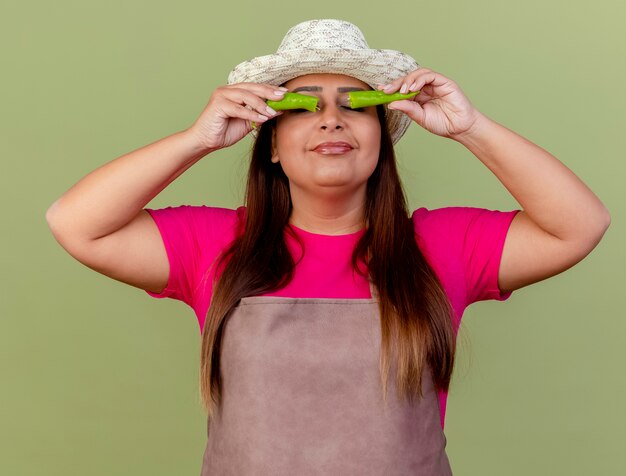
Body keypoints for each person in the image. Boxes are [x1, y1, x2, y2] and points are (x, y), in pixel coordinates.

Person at [45, 18, 610, 475]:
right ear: (269, 144)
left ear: (382, 139)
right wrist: (197, 140)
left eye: (355, 105)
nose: (332, 121)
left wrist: (471, 128)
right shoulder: (217, 245)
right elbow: (76, 222)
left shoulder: (440, 247)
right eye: (305, 106)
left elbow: (580, 225)